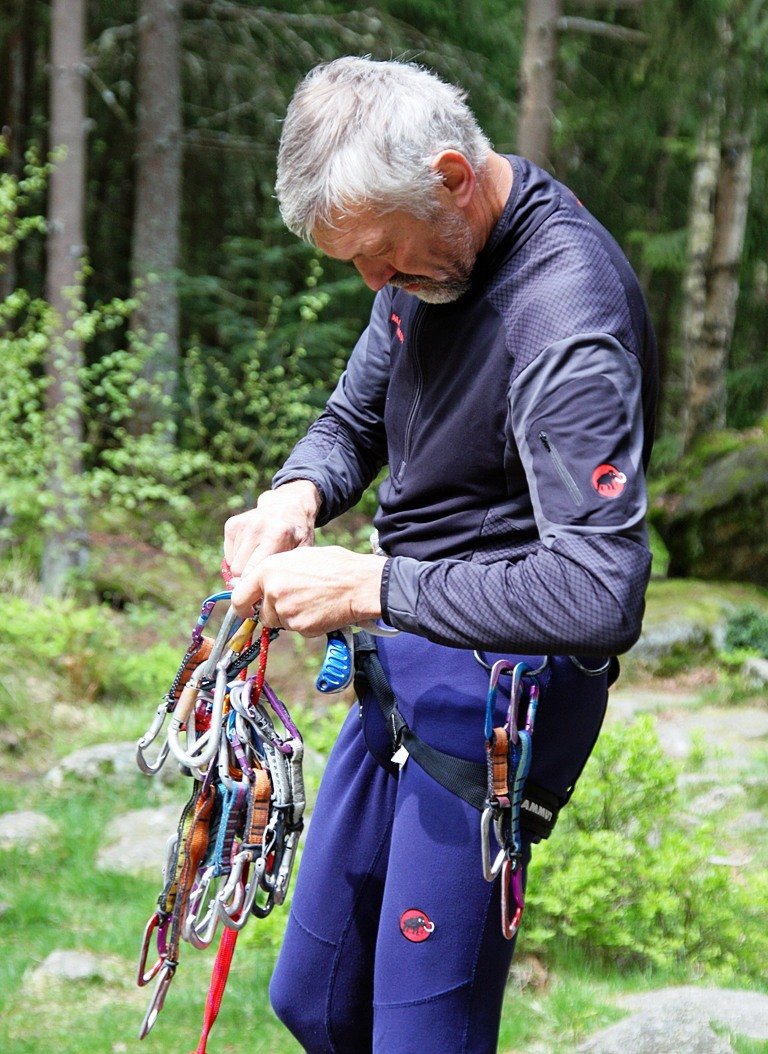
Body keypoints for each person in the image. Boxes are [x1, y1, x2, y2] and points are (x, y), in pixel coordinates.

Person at [224, 56, 658, 1054]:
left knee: (423, 1036)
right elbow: (350, 421)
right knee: (316, 1000)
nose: (376, 284)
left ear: (454, 177)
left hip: (505, 698)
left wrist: (366, 582)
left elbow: (600, 591)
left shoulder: (564, 314)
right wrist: (296, 496)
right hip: (405, 659)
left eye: (382, 254)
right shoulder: (423, 264)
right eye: (360, 265)